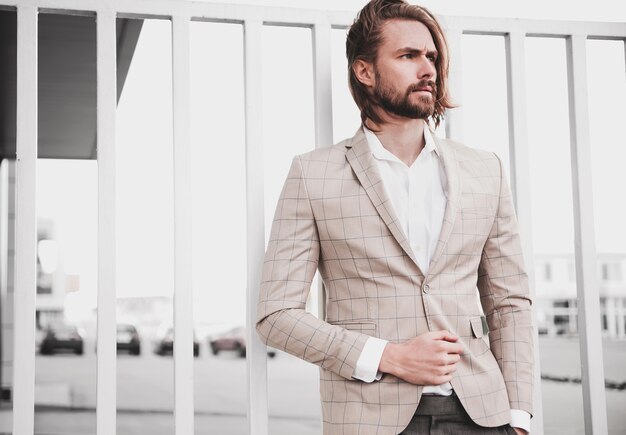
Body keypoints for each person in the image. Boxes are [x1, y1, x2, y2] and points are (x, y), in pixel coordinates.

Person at [256, 0, 534, 434]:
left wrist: (518, 416)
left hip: (483, 415)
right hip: (369, 418)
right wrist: (389, 355)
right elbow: (275, 315)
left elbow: (509, 301)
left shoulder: (486, 169)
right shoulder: (313, 173)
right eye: (408, 56)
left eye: (432, 57)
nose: (428, 69)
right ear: (364, 71)